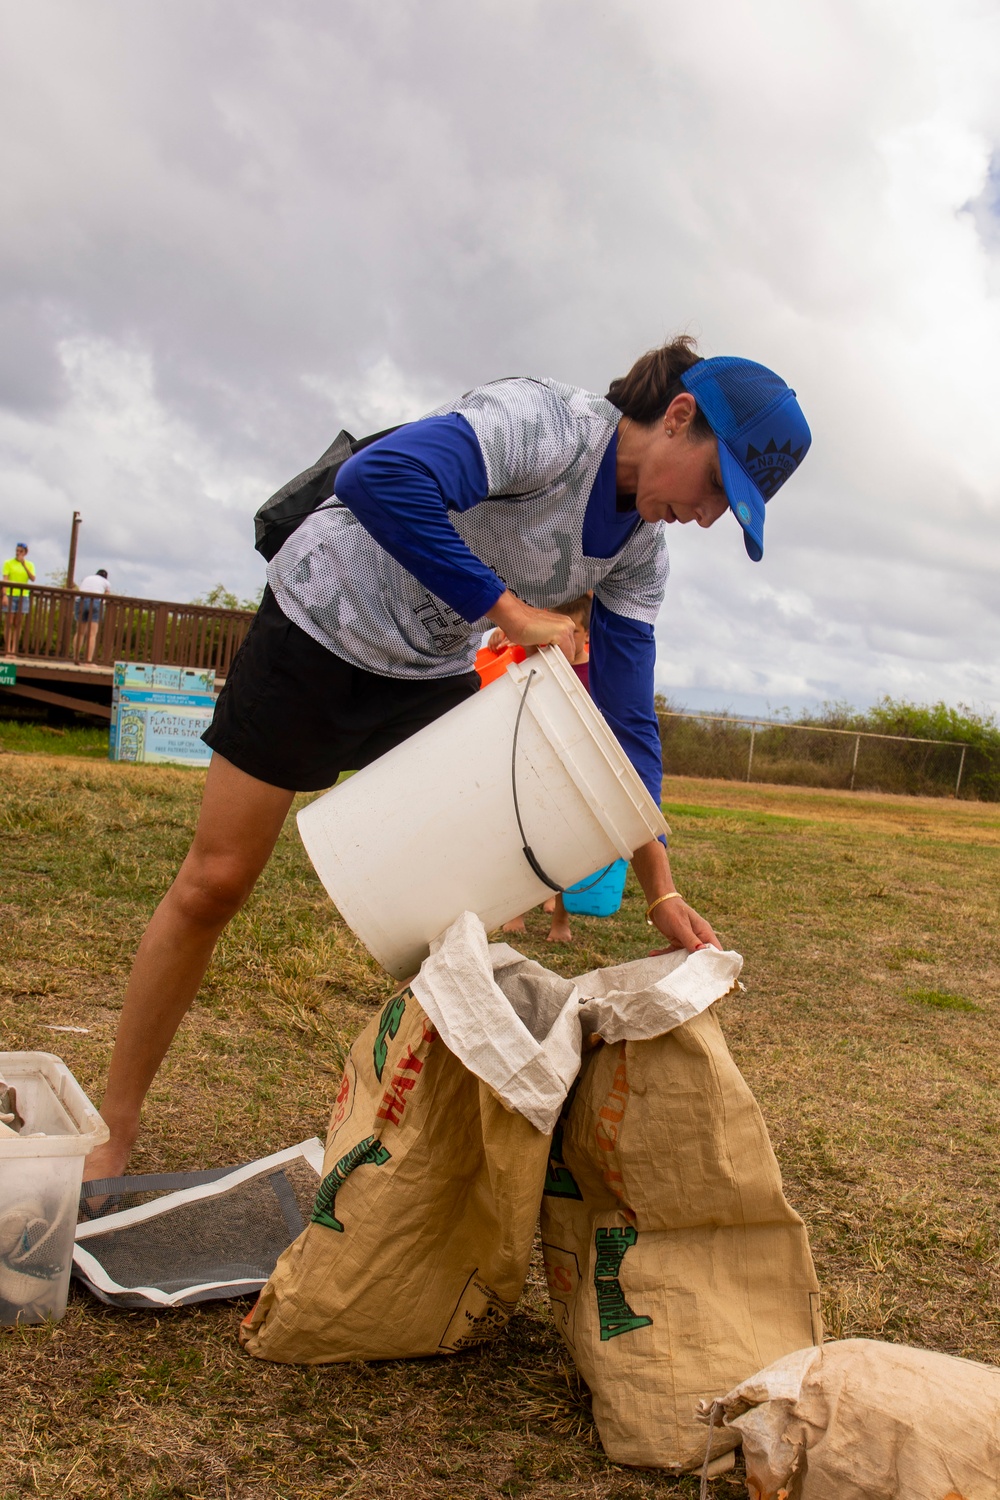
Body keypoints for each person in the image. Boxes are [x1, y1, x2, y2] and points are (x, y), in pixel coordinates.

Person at [83, 335, 812, 1181]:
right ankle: (115, 1127)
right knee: (215, 883)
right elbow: (378, 478)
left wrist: (661, 887)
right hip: (320, 622)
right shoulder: (545, 425)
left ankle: (410, 1154)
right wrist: (508, 610)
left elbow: (624, 725)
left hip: (424, 672)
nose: (712, 515)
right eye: (720, 486)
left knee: (470, 920)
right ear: (680, 417)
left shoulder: (640, 552)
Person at [498, 593, 592, 944]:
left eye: (572, 631)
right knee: (522, 836)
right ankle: (516, 909)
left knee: (566, 848)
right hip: (531, 764)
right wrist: (502, 636)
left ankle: (560, 921)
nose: (560, 640)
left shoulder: (592, 671)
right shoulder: (539, 656)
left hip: (570, 772)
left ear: (586, 636)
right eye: (554, 630)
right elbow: (509, 647)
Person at [1, 543, 36, 656]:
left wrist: (24, 564)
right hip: (11, 595)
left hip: (23, 596)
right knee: (9, 622)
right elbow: (5, 580)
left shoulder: (30, 564)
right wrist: (4, 595)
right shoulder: (8, 563)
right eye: (17, 550)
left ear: (25, 553)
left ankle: (14, 649)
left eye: (21, 551)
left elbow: (32, 578)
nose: (18, 553)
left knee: (18, 623)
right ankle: (8, 649)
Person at [73, 568, 110, 663]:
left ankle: (76, 657)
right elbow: (107, 597)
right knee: (92, 634)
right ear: (105, 577)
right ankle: (88, 661)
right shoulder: (106, 582)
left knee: (80, 632)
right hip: (95, 601)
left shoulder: (88, 578)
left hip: (80, 601)